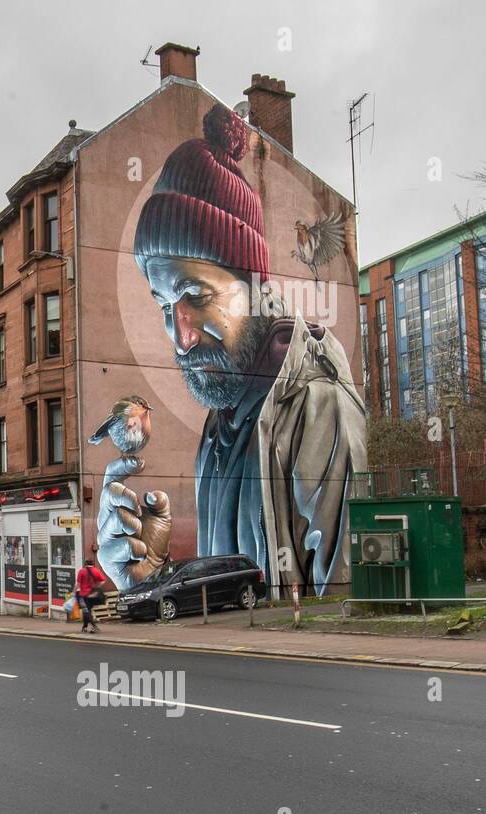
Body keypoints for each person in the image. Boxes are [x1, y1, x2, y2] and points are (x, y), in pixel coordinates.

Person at [98, 102, 366, 597]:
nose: (181, 337)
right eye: (163, 305)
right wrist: (152, 582)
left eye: (195, 296)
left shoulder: (317, 406)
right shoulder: (221, 426)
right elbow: (228, 607)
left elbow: (349, 612)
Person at [76, 558, 109, 634]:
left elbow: (78, 584)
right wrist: (97, 587)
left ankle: (94, 626)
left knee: (86, 611)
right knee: (87, 611)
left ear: (85, 564)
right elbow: (103, 580)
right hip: (93, 595)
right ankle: (84, 627)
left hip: (84, 594)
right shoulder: (96, 571)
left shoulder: (82, 571)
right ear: (92, 564)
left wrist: (74, 591)